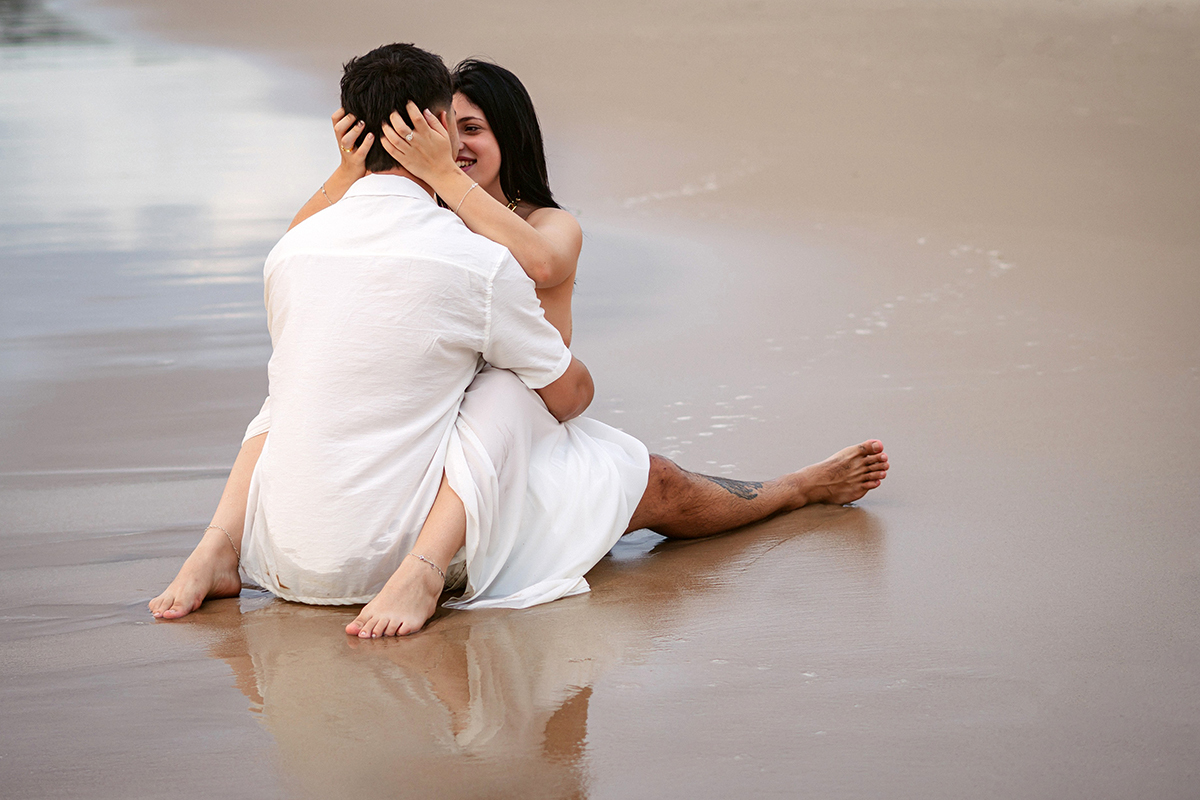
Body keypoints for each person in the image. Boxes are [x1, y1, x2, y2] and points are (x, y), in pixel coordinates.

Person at [149, 44, 890, 636]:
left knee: (626, 465)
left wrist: (430, 171)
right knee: (308, 382)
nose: (459, 146)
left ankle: (791, 488)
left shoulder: (538, 225)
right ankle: (376, 562)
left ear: (509, 137)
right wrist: (355, 169)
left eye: (475, 131)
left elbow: (539, 264)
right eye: (452, 127)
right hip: (463, 437)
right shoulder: (438, 245)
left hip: (504, 438)